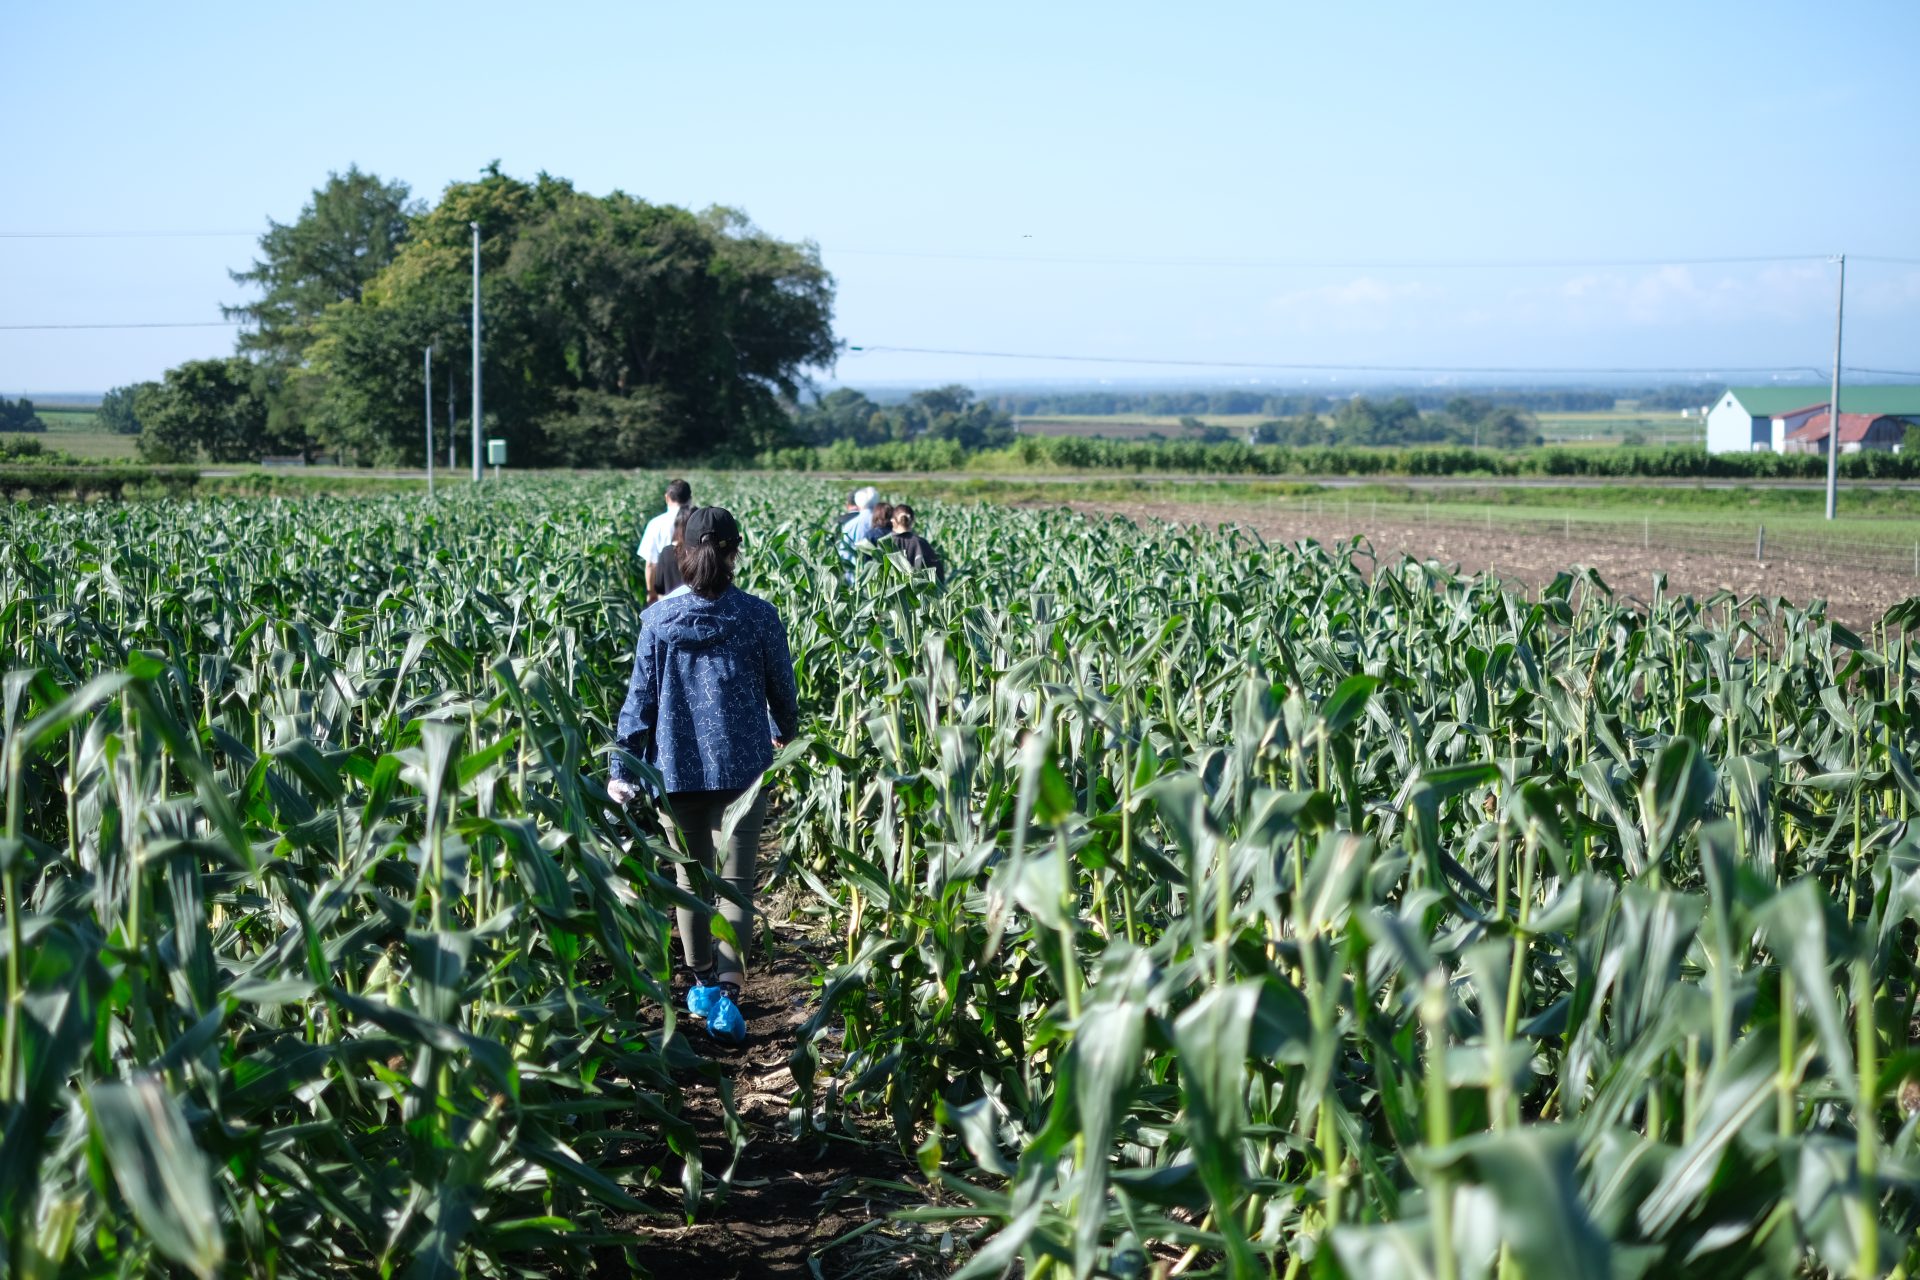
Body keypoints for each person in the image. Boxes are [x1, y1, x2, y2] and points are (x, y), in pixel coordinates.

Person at [609, 506, 800, 1043]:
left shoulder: (657, 622)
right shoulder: (759, 616)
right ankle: (731, 996)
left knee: (689, 882)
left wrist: (622, 762)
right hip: (743, 770)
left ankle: (702, 986)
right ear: (735, 551)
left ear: (683, 554)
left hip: (676, 769)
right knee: (735, 887)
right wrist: (786, 728)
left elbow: (639, 702)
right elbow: (781, 688)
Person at [637, 478, 692, 605]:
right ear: (690, 498)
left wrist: (651, 593)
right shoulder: (697, 520)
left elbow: (651, 564)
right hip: (696, 590)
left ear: (667, 498)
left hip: (667, 591)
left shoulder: (655, 524)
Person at [881, 503, 945, 578]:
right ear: (913, 520)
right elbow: (937, 571)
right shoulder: (921, 543)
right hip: (918, 588)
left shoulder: (885, 543)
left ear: (893, 521)